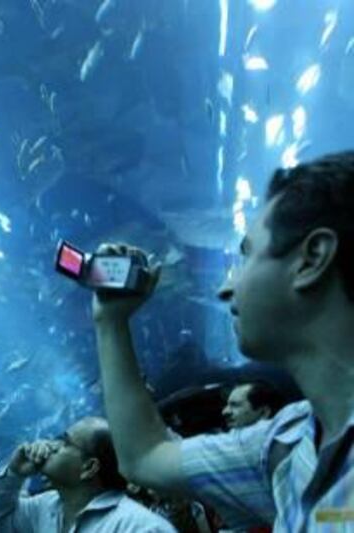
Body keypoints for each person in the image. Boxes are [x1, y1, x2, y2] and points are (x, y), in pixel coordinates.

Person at [89, 151, 354, 531]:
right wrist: (111, 322)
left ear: (312, 258)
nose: (226, 287)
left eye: (246, 256)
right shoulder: (286, 441)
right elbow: (145, 456)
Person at [0, 416, 177, 532]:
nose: (51, 445)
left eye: (64, 442)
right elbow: (3, 516)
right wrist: (15, 473)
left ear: (89, 467)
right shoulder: (46, 507)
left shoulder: (137, 526)